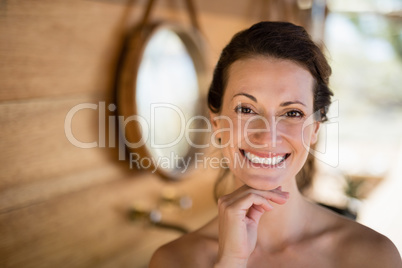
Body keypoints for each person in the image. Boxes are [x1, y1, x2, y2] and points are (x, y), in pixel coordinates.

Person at [149, 21, 402, 267]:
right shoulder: (173, 261)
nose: (268, 136)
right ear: (217, 123)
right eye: (246, 109)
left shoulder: (372, 257)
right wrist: (231, 262)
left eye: (292, 113)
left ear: (314, 129)